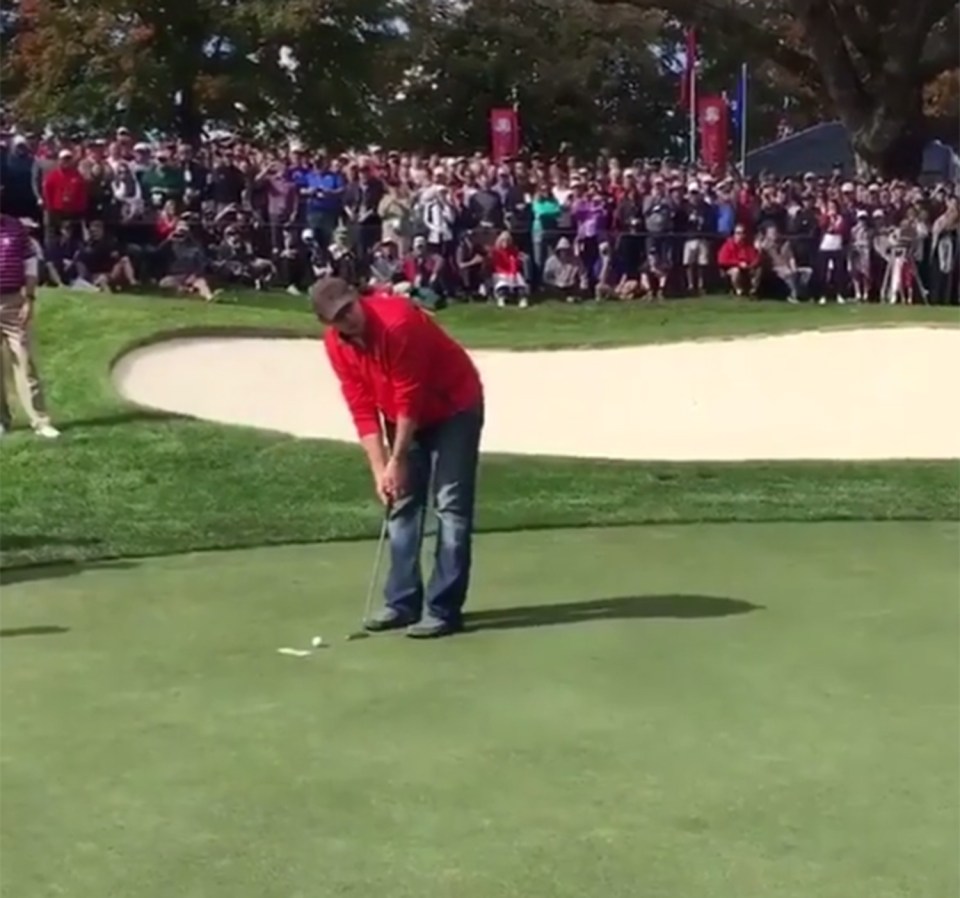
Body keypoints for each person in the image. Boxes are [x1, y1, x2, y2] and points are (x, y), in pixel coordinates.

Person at [312, 276, 484, 639]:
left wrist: (398, 458)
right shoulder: (335, 346)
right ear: (327, 324)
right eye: (337, 317)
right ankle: (403, 602)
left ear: (358, 298)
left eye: (349, 308)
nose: (348, 319)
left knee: (450, 505)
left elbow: (410, 397)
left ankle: (443, 609)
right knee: (401, 502)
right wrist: (381, 469)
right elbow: (360, 406)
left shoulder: (398, 322)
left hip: (453, 406)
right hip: (400, 415)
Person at [0, 195, 59, 438]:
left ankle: (40, 420)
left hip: (14, 301)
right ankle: (2, 421)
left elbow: (30, 264)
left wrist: (30, 298)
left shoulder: (15, 227)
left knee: (25, 363)